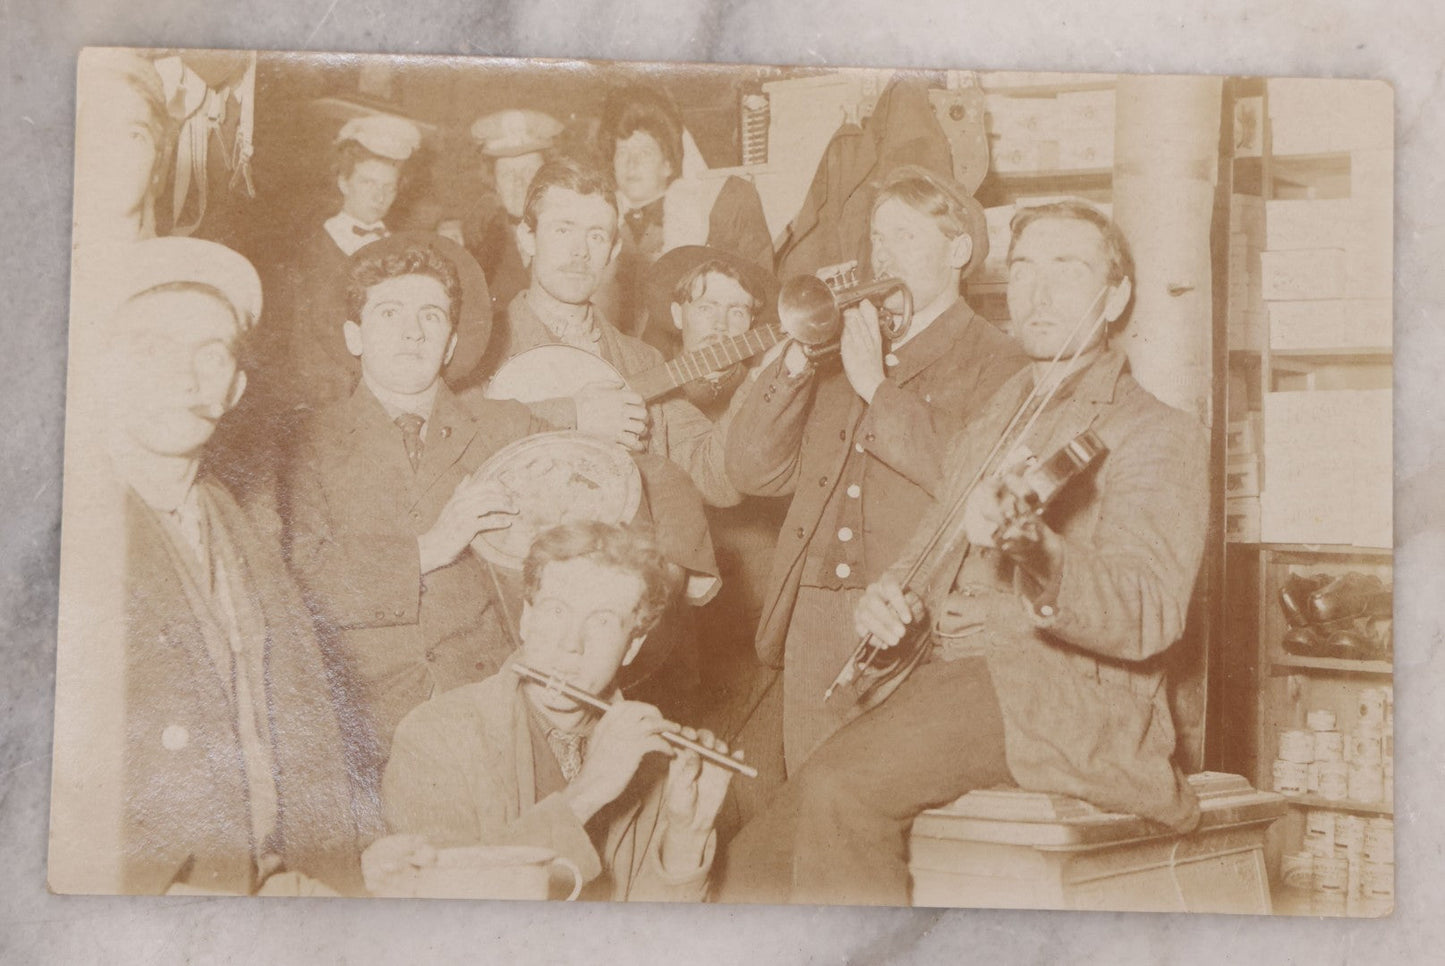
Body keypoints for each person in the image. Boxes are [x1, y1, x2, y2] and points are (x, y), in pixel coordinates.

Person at [717, 200, 1210, 907]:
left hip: (1057, 698)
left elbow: (1147, 613)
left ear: (1116, 297)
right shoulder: (1004, 411)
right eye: (1024, 271)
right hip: (953, 684)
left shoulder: (1154, 432)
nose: (1037, 294)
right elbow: (923, 557)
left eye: (1067, 271)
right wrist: (887, 605)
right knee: (754, 858)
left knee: (839, 789)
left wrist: (1036, 548)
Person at [724, 165, 1028, 771]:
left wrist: (876, 386)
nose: (883, 256)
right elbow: (751, 472)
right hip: (815, 619)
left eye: (905, 238)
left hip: (915, 627)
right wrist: (791, 370)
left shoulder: (1002, 361)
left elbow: (979, 482)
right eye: (877, 239)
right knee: (808, 816)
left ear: (959, 249)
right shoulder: (843, 348)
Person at [104, 237, 362, 895]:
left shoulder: (230, 519)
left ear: (237, 387)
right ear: (101, 367)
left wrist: (332, 864)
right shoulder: (74, 528)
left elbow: (294, 725)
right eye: (153, 350)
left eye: (210, 354)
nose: (186, 378)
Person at [284, 235, 545, 785]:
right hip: (365, 731)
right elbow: (296, 585)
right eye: (389, 312)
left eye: (431, 316)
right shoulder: (303, 445)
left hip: (495, 715)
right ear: (353, 335)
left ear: (450, 343)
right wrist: (430, 547)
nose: (412, 331)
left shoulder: (508, 428)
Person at [368, 522, 740, 901]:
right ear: (527, 617)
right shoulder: (437, 735)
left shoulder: (649, 755)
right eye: (558, 611)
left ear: (632, 645)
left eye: (602, 621)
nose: (571, 644)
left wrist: (685, 837)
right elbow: (443, 920)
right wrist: (587, 792)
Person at [481, 157, 740, 511]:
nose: (579, 251)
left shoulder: (641, 359)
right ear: (527, 238)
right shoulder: (480, 347)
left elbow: (716, 480)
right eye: (562, 229)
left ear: (614, 251)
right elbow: (459, 438)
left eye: (596, 235)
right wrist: (572, 414)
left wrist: (767, 378)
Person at [594, 82, 774, 345]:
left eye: (644, 151)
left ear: (668, 163)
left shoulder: (698, 218)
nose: (631, 163)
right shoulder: (601, 221)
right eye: (623, 152)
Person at [465, 109, 563, 323]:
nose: (519, 183)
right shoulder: (480, 241)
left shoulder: (571, 236)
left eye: (528, 172)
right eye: (508, 174)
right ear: (495, 184)